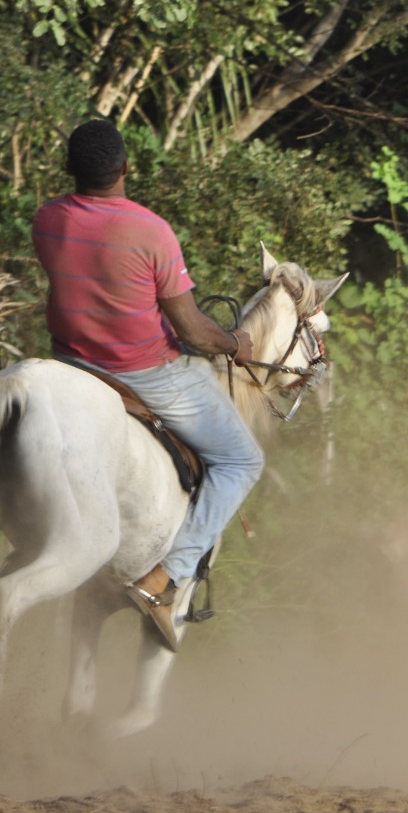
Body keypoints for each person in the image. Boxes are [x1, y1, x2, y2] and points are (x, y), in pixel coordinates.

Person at [32, 119, 265, 652]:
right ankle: (165, 580)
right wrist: (235, 343)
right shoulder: (151, 231)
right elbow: (190, 329)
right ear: (125, 169)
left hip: (70, 362)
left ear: (70, 170)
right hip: (144, 372)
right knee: (242, 461)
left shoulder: (47, 219)